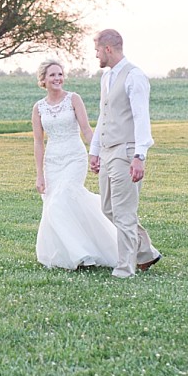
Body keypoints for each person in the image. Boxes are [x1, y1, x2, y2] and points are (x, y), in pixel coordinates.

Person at [88, 29, 161, 278]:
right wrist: (94, 151)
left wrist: (140, 156)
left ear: (108, 49)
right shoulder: (106, 78)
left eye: (97, 49)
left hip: (126, 151)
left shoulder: (135, 76)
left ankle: (125, 268)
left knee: (124, 212)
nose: (95, 54)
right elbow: (103, 115)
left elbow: (142, 118)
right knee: (108, 208)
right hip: (107, 152)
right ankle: (146, 253)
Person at [32, 59, 118, 270]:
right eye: (52, 75)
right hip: (53, 162)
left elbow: (87, 130)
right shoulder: (39, 107)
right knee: (60, 204)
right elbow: (38, 142)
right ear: (43, 79)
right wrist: (39, 175)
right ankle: (71, 253)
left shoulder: (73, 99)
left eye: (60, 74)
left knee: (60, 200)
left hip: (74, 157)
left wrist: (96, 152)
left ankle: (82, 253)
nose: (57, 78)